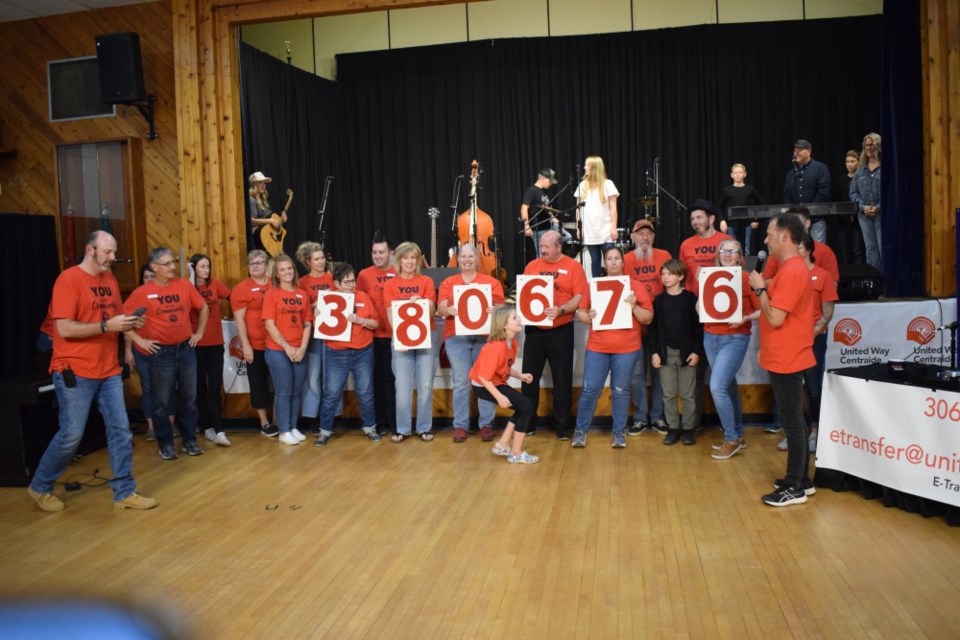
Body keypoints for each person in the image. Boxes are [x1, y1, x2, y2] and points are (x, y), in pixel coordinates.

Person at [27, 231, 156, 512]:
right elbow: (63, 328)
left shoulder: (108, 279)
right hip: (75, 369)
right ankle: (40, 485)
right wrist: (104, 327)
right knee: (71, 435)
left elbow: (114, 321)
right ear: (90, 249)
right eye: (108, 252)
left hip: (107, 370)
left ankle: (124, 492)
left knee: (121, 430)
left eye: (113, 252)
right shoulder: (69, 280)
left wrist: (132, 323)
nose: (113, 258)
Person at [748, 214, 816, 507]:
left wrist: (761, 289)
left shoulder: (793, 272)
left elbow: (775, 317)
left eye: (770, 234)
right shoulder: (791, 268)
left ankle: (794, 486)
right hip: (785, 353)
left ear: (785, 236)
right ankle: (802, 480)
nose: (766, 240)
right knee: (796, 419)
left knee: (791, 421)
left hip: (789, 355)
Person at [125, 247, 209, 461]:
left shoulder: (183, 285)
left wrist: (199, 332)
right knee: (162, 401)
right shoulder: (142, 292)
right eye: (167, 264)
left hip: (186, 349)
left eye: (173, 262)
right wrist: (140, 341)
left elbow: (204, 307)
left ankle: (190, 440)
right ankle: (165, 444)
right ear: (154, 267)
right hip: (161, 353)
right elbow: (124, 321)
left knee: (189, 398)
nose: (172, 267)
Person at [572, 246, 653, 448]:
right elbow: (581, 313)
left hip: (627, 348)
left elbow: (648, 318)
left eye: (617, 258)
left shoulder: (635, 286)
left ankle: (619, 432)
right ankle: (580, 430)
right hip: (598, 347)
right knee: (590, 389)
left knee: (620, 390)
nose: (614, 262)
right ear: (604, 263)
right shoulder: (593, 285)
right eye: (610, 258)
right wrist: (587, 316)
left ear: (623, 262)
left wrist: (634, 306)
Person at [520, 230, 589, 440]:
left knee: (562, 379)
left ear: (559, 247)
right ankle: (527, 424)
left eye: (546, 246)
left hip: (561, 329)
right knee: (529, 379)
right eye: (541, 245)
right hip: (535, 331)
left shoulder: (573, 267)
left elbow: (579, 296)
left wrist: (561, 309)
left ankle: (562, 427)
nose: (542, 249)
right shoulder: (532, 266)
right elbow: (524, 293)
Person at [437, 243, 506, 443]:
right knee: (461, 382)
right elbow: (440, 308)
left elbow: (501, 307)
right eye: (463, 257)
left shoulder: (491, 283)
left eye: (470, 257)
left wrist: (495, 309)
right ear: (458, 260)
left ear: (477, 259)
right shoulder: (449, 283)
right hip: (456, 338)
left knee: (485, 380)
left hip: (484, 338)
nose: (466, 260)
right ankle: (460, 425)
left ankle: (486, 424)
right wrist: (448, 310)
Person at [776, 235, 837, 455]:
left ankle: (816, 430)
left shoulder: (823, 276)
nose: (796, 252)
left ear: (809, 250)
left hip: (813, 339)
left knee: (813, 386)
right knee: (791, 389)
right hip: (790, 338)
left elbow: (828, 311)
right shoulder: (789, 274)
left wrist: (811, 333)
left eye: (800, 248)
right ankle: (796, 433)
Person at [704, 240, 761, 460]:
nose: (727, 254)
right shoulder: (711, 276)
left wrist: (745, 318)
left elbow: (762, 309)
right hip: (710, 336)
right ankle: (738, 433)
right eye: (723, 251)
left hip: (735, 337)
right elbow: (701, 308)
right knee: (727, 385)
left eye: (732, 251)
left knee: (717, 387)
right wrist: (703, 288)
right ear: (718, 255)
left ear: (739, 256)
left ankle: (731, 439)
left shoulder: (747, 278)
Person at [678, 199, 731, 431]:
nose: (695, 222)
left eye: (699, 217)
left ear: (711, 218)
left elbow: (736, 271)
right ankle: (694, 423)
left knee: (724, 373)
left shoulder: (726, 241)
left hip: (722, 312)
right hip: (695, 311)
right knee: (696, 371)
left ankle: (728, 424)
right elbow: (681, 275)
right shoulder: (686, 245)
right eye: (692, 219)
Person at [316, 263, 381, 446]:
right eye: (347, 282)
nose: (352, 285)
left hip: (363, 351)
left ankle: (370, 427)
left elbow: (376, 324)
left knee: (366, 392)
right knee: (331, 393)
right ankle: (325, 430)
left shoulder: (363, 297)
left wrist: (361, 320)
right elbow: (318, 326)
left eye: (353, 281)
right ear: (336, 283)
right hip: (336, 352)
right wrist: (318, 314)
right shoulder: (328, 299)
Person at [383, 242, 437, 442]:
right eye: (406, 258)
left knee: (425, 385)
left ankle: (424, 427)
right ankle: (403, 428)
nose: (409, 262)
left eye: (413, 258)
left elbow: (431, 312)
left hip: (426, 337)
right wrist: (399, 338)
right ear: (398, 260)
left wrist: (421, 303)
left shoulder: (426, 281)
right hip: (401, 340)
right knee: (403, 387)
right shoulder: (390, 285)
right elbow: (390, 313)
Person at [623, 218, 671, 435]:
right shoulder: (624, 260)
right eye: (640, 233)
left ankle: (659, 416)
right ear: (632, 237)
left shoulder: (664, 256)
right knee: (636, 374)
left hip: (660, 324)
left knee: (660, 372)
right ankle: (640, 417)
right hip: (633, 324)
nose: (644, 237)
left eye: (648, 234)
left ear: (653, 237)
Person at [471, 307, 537, 464]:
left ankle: (502, 445)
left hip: (495, 381)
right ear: (504, 325)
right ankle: (515, 453)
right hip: (483, 385)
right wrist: (499, 396)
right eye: (514, 318)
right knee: (526, 406)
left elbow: (504, 367)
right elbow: (483, 377)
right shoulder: (495, 347)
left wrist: (520, 375)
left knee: (523, 407)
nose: (519, 319)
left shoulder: (512, 342)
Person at [648, 259, 703, 446]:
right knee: (668, 393)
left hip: (687, 352)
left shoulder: (690, 299)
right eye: (663, 274)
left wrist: (696, 351)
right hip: (666, 353)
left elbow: (698, 328)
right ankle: (672, 428)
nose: (665, 277)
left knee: (688, 394)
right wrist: (655, 352)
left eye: (669, 274)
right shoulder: (659, 301)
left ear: (680, 276)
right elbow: (653, 330)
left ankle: (688, 429)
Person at [262, 254, 313, 445]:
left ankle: (292, 427)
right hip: (278, 350)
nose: (287, 272)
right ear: (276, 273)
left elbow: (307, 323)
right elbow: (269, 324)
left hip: (299, 349)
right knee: (283, 392)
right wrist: (287, 347)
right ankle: (283, 431)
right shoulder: (271, 294)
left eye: (289, 268)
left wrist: (302, 347)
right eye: (282, 270)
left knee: (296, 391)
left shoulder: (302, 294)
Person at [230, 250, 278, 437]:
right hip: (255, 345)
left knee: (279, 384)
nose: (255, 266)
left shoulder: (275, 284)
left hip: (276, 344)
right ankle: (264, 423)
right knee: (258, 384)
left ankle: (277, 420)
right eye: (252, 263)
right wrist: (246, 346)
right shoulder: (241, 289)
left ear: (267, 265)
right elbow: (239, 320)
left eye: (259, 263)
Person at [186, 253, 232, 447]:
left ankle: (220, 429)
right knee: (199, 389)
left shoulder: (215, 285)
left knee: (214, 387)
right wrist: (189, 275)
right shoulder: (186, 286)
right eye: (201, 266)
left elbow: (231, 296)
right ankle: (207, 428)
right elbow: (190, 299)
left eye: (208, 266)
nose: (205, 270)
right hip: (196, 345)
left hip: (215, 343)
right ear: (193, 267)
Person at [123, 263, 172, 442]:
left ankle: (169, 424)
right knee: (148, 388)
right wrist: (128, 351)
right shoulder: (137, 297)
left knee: (167, 388)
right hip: (142, 350)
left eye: (152, 276)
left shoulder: (164, 295)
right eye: (146, 277)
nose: (149, 280)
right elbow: (126, 325)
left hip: (163, 348)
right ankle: (151, 427)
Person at [356, 233, 396, 436]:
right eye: (374, 252)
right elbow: (358, 302)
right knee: (376, 380)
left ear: (391, 253)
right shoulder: (364, 275)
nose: (377, 256)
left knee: (393, 380)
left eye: (381, 252)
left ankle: (394, 421)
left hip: (396, 336)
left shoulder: (399, 272)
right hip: (373, 336)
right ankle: (380, 422)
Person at [295, 241, 334, 433]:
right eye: (316, 259)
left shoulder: (332, 278)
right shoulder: (302, 282)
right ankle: (311, 416)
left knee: (331, 376)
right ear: (308, 262)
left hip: (333, 333)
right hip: (313, 334)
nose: (320, 262)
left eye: (322, 258)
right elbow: (300, 307)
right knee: (313, 377)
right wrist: (313, 306)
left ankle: (332, 415)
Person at [575, 156, 619, 278]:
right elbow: (578, 209)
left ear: (594, 167)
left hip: (605, 230)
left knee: (611, 260)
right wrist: (579, 228)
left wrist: (613, 228)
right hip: (590, 230)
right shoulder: (582, 185)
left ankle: (614, 284)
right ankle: (596, 287)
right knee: (595, 261)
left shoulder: (608, 184)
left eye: (587, 165)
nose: (584, 167)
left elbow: (613, 208)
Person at [784, 139, 831, 243]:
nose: (796, 153)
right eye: (795, 150)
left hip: (816, 219)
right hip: (797, 220)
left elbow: (823, 192)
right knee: (799, 248)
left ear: (809, 151)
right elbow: (787, 195)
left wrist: (810, 210)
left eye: (799, 150)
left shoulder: (820, 168)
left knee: (817, 249)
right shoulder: (791, 173)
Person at [520, 168, 570, 258]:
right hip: (539, 229)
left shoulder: (543, 191)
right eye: (550, 181)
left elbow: (546, 209)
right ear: (543, 178)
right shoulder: (531, 191)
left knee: (567, 236)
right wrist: (526, 226)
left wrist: (554, 219)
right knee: (541, 255)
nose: (551, 184)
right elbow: (524, 208)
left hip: (549, 226)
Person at [850, 132, 882, 272]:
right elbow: (853, 192)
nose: (868, 148)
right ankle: (876, 283)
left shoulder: (884, 167)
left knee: (883, 247)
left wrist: (878, 207)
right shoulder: (861, 169)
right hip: (864, 215)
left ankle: (888, 282)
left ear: (878, 146)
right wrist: (862, 207)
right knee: (871, 249)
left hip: (881, 214)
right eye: (866, 145)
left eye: (872, 145)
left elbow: (891, 192)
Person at [717, 163, 765, 255]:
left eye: (740, 172)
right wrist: (722, 221)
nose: (738, 174)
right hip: (731, 224)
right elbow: (719, 206)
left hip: (747, 224)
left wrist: (757, 220)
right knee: (732, 247)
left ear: (745, 174)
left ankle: (746, 267)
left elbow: (762, 204)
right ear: (731, 175)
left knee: (747, 248)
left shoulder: (750, 189)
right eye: (735, 173)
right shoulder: (727, 190)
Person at [833, 149, 865, 264]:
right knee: (844, 250)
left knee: (857, 249)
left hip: (858, 219)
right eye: (847, 162)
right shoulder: (841, 180)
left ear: (858, 162)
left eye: (852, 161)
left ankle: (859, 275)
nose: (850, 164)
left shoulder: (861, 178)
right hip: (843, 220)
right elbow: (836, 199)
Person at [247, 171, 289, 241]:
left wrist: (281, 220)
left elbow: (269, 225)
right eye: (260, 183)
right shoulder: (251, 200)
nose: (263, 185)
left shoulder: (263, 202)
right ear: (254, 185)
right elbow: (251, 221)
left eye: (264, 183)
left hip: (266, 238)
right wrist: (270, 220)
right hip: (257, 239)